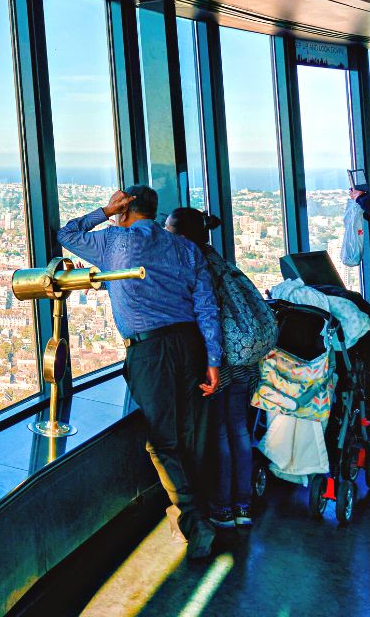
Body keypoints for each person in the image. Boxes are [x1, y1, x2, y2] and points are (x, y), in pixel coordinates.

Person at [58, 185, 222, 559]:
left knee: (163, 440)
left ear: (125, 208)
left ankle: (195, 522)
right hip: (191, 344)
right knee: (192, 432)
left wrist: (104, 210)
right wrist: (213, 360)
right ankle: (202, 510)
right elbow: (207, 307)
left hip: (150, 351)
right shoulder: (185, 247)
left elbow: (66, 234)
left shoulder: (115, 242)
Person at [166, 207, 278, 530]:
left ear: (184, 237)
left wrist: (211, 362)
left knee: (220, 436)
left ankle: (222, 508)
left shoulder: (193, 264)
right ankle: (244, 505)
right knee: (240, 431)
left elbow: (207, 316)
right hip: (243, 361)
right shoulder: (218, 259)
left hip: (221, 363)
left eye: (170, 231)